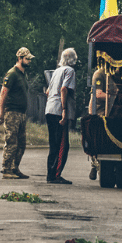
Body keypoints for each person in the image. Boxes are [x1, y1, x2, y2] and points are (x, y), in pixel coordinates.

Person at [0, 47, 33, 180]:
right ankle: (6, 169)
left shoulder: (23, 75)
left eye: (29, 59)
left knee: (21, 144)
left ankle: (14, 167)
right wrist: (1, 112)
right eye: (27, 58)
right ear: (20, 58)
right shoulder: (12, 74)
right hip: (12, 112)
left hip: (21, 113)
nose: (29, 61)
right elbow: (3, 93)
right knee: (11, 141)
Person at [45, 48, 77, 184]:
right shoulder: (69, 71)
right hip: (59, 110)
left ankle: (50, 174)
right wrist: (64, 109)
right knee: (62, 145)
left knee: (53, 144)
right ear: (72, 59)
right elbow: (64, 89)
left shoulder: (56, 71)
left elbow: (47, 91)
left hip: (49, 109)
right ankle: (55, 175)